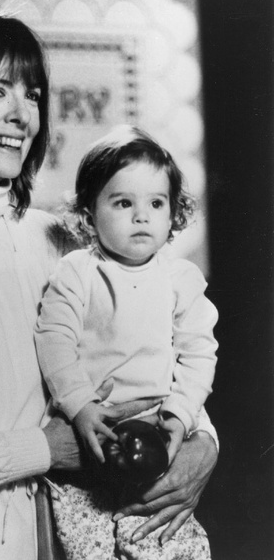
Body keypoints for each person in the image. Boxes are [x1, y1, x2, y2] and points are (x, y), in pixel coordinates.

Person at [0, 4, 218, 560]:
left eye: (32, 95)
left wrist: (201, 442)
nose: (21, 115)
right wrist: (48, 449)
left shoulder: (57, 240)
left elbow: (139, 354)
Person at [35, 125, 218, 559]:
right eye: (123, 203)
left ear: (173, 214)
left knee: (163, 538)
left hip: (158, 433)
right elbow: (54, 340)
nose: (141, 216)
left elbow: (198, 355)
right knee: (84, 542)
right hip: (91, 434)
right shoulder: (77, 272)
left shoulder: (180, 279)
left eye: (156, 203)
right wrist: (80, 406)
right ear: (88, 216)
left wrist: (181, 415)